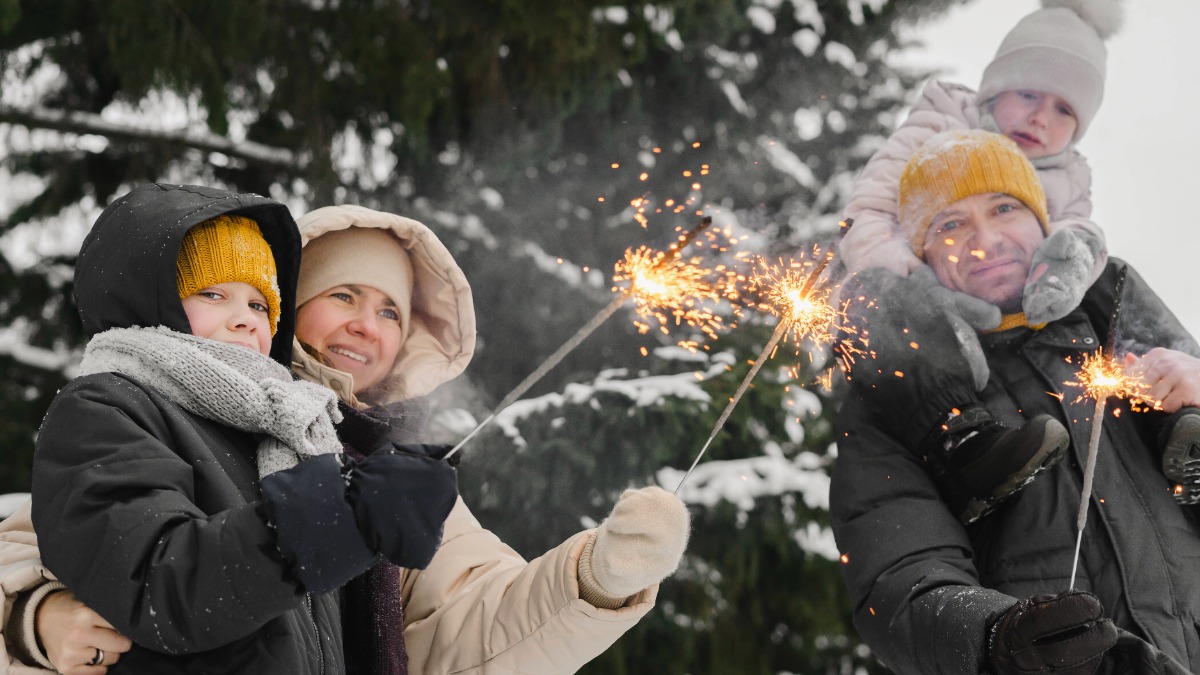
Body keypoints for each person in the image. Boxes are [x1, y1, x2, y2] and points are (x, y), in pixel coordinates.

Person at [2, 201, 691, 674]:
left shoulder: (393, 478)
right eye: (343, 296)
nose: (369, 324)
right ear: (288, 315)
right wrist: (32, 619)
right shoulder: (164, 409)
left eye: (390, 309)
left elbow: (472, 633)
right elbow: (69, 543)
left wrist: (596, 580)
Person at [20, 184, 459, 674]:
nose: (245, 320)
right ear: (150, 300)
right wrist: (336, 517)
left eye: (259, 305)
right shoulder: (107, 407)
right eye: (213, 293)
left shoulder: (286, 426)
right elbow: (156, 587)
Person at [831, 129, 1200, 675]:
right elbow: (899, 579)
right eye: (950, 224)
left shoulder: (1128, 334)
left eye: (1004, 208)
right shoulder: (894, 394)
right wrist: (997, 637)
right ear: (920, 253)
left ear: (1044, 225)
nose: (985, 239)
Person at [834, 0, 1127, 520]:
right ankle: (963, 439)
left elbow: (1076, 229)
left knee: (1116, 280)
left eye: (1065, 109)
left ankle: (1177, 412)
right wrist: (920, 284)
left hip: (1012, 312)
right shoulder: (943, 119)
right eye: (1030, 94)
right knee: (876, 304)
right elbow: (870, 213)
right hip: (921, 286)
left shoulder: (1070, 173)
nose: (1041, 117)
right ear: (996, 88)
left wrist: (1067, 260)